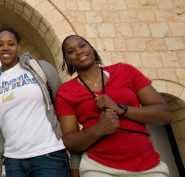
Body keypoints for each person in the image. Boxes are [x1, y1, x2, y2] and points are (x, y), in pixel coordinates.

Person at [56, 35, 172, 176]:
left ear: (91, 49)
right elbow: (70, 141)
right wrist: (99, 129)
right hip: (98, 167)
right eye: (71, 51)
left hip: (147, 165)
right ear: (67, 60)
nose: (79, 51)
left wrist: (121, 109)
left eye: (82, 46)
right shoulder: (66, 91)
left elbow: (164, 114)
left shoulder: (125, 71)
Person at [0, 27, 72, 177]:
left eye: (11, 44)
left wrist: (73, 156)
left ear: (18, 46)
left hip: (48, 154)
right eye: (0, 44)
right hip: (13, 161)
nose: (5, 48)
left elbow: (63, 107)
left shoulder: (41, 68)